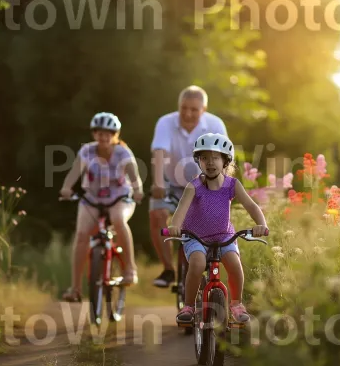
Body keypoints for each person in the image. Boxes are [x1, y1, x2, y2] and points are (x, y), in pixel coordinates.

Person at [167, 132, 269, 324]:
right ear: (199, 161)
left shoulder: (232, 185)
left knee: (234, 264)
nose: (210, 162)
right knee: (197, 264)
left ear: (225, 161)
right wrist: (175, 226)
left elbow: (252, 206)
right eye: (204, 158)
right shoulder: (194, 186)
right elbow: (181, 210)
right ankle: (188, 306)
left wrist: (261, 225)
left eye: (215, 157)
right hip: (195, 237)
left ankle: (237, 305)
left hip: (224, 236)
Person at [60, 112, 144, 302]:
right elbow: (74, 173)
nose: (104, 137)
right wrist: (66, 188)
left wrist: (138, 190)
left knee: (118, 220)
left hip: (119, 198)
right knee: (81, 235)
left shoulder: (123, 153)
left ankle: (130, 269)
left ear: (115, 134)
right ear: (94, 134)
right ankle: (75, 288)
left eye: (108, 133)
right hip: (92, 200)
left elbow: (134, 177)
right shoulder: (87, 152)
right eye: (100, 133)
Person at [149, 85, 228, 288]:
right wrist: (158, 182)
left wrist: (218, 188)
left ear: (204, 109)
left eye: (194, 109)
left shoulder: (215, 124)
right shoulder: (166, 122)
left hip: (203, 184)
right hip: (170, 183)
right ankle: (168, 269)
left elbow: (224, 160)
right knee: (157, 214)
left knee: (202, 223)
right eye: (184, 108)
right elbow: (160, 154)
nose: (188, 113)